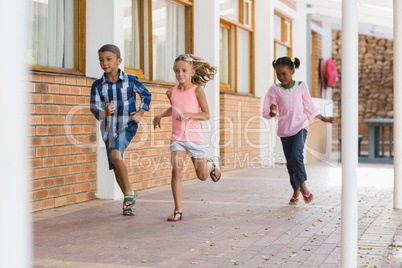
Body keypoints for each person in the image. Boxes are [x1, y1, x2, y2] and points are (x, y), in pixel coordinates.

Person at [153, 54, 221, 222]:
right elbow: (174, 109)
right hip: (177, 139)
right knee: (176, 170)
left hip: (195, 139)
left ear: (192, 72)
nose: (180, 74)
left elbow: (206, 115)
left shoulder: (197, 90)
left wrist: (189, 115)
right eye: (177, 70)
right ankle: (178, 210)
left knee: (202, 176)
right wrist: (160, 115)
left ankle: (210, 165)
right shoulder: (172, 92)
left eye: (184, 70)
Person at [262, 56, 335, 205]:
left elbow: (308, 106)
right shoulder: (274, 89)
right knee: (290, 163)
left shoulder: (301, 86)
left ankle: (303, 185)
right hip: (284, 131)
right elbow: (269, 110)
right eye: (278, 74)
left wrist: (323, 118)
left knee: (296, 155)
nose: (281, 77)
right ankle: (295, 190)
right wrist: (272, 112)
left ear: (293, 71)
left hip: (300, 127)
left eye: (285, 74)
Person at [90, 44, 152, 216]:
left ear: (119, 60)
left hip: (128, 124)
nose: (105, 63)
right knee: (116, 165)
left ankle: (129, 194)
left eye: (109, 59)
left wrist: (140, 113)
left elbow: (146, 95)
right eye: (101, 60)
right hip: (108, 128)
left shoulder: (131, 80)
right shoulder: (97, 85)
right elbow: (95, 109)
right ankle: (129, 197)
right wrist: (104, 111)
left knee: (116, 155)